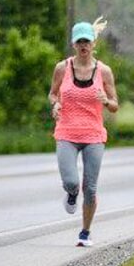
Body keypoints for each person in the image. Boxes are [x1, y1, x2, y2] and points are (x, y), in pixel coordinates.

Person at [48, 17, 118, 247]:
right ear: (73, 44)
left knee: (90, 187)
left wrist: (106, 100)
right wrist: (55, 105)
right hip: (67, 132)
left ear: (93, 43)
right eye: (79, 42)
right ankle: (70, 193)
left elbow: (115, 105)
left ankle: (85, 232)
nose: (83, 46)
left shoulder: (104, 71)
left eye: (87, 41)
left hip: (93, 135)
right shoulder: (62, 68)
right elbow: (52, 93)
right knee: (71, 181)